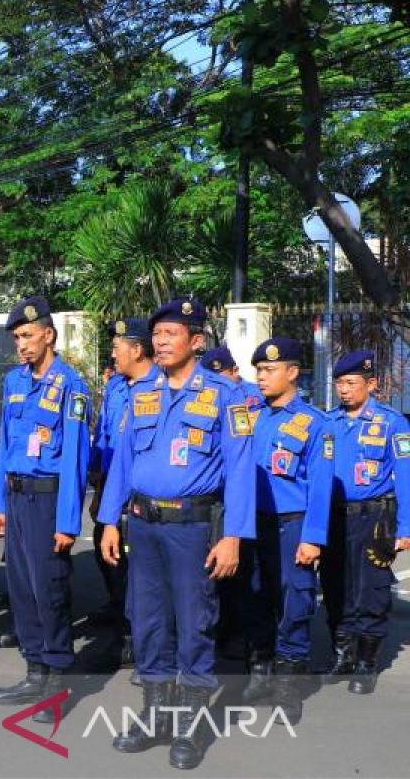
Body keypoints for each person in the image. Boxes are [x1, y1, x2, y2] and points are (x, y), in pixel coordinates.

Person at [95, 297, 255, 770]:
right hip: (142, 526)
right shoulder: (141, 392)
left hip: (191, 528)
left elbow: (242, 470)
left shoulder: (227, 397)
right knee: (146, 622)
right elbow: (123, 462)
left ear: (197, 341)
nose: (160, 342)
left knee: (193, 624)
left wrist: (233, 536)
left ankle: (189, 726)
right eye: (157, 335)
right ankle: (155, 716)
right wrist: (108, 520)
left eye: (171, 334)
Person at [0, 297, 90, 723]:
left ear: (49, 334)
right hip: (16, 496)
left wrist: (68, 521)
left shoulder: (70, 386)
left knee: (50, 589)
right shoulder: (14, 383)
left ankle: (57, 680)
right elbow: (7, 447)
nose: (22, 344)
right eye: (16, 338)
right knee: (23, 589)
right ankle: (34, 670)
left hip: (50, 499)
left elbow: (75, 460)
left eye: (28, 335)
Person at [233, 337, 332, 724]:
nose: (261, 376)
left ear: (292, 373)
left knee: (294, 601)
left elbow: (321, 486)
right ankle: (261, 670)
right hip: (251, 524)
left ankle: (289, 683)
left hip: (291, 526)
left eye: (269, 370)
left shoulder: (314, 423)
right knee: (253, 596)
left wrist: (313, 537)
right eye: (258, 370)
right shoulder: (249, 416)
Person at [321, 350, 410, 695]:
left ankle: (366, 662)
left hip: (374, 517)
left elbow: (404, 476)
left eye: (351, 383)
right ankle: (342, 654)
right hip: (334, 517)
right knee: (335, 585)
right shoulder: (328, 422)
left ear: (370, 384)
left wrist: (405, 527)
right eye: (340, 383)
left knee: (370, 589)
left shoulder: (392, 423)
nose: (344, 390)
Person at [89, 318, 159, 669]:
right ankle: (121, 618)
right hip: (110, 489)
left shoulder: (160, 388)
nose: (113, 352)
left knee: (140, 572)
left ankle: (137, 640)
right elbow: (103, 432)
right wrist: (96, 474)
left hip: (142, 495)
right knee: (109, 558)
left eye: (118, 346)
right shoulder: (116, 387)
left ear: (136, 349)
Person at [202, 346, 263, 412]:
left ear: (235, 371)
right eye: (209, 378)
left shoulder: (258, 393)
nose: (212, 383)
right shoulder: (202, 395)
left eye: (218, 379)